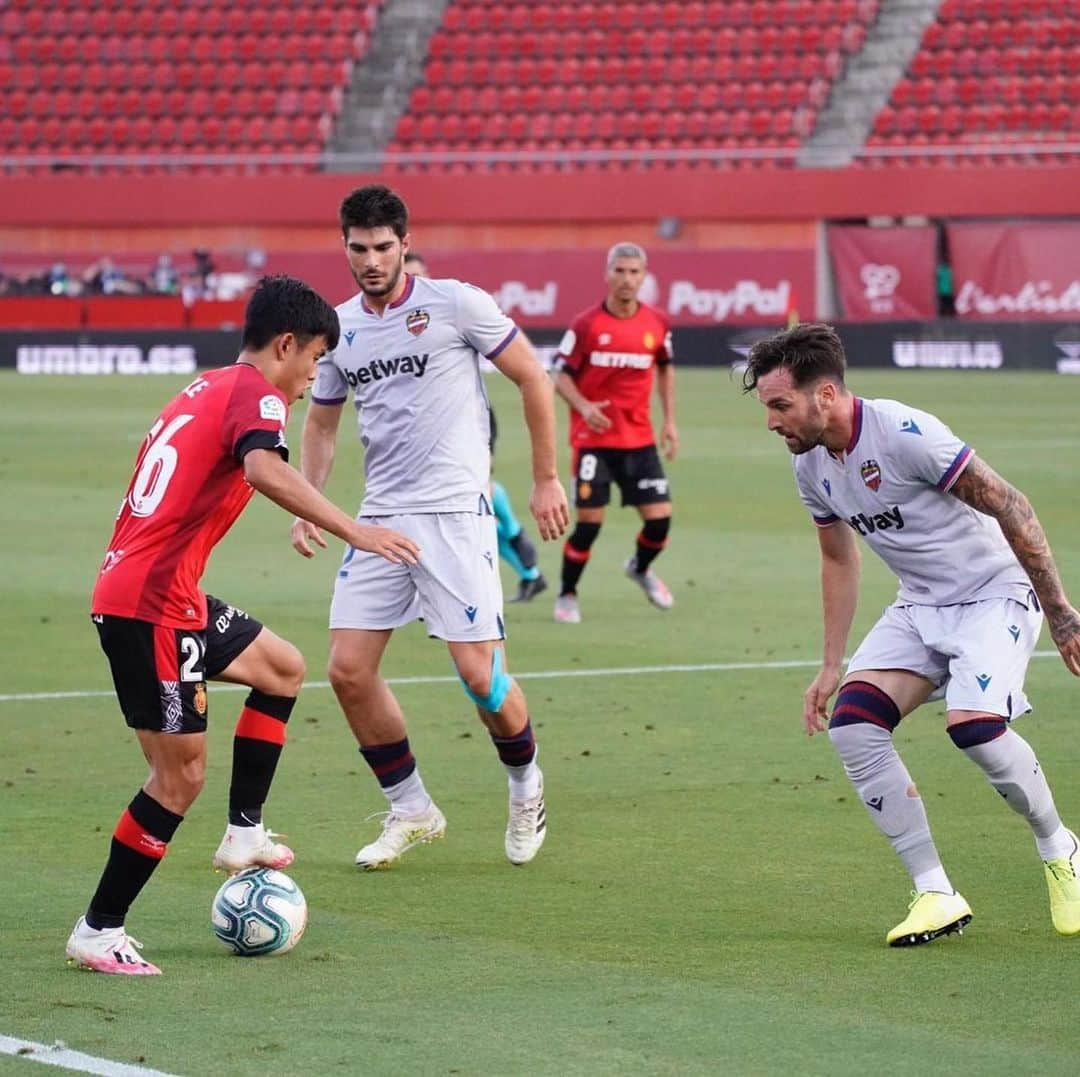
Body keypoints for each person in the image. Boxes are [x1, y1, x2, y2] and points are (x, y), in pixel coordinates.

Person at [66, 275, 419, 976]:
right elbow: (261, 467)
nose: (313, 376)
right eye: (314, 359)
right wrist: (354, 528)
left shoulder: (206, 386)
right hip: (151, 604)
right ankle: (98, 928)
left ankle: (244, 833)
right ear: (285, 345)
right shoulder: (256, 394)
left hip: (169, 592)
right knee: (178, 777)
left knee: (281, 666)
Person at [744, 322, 1080, 946]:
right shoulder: (811, 467)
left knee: (974, 727)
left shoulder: (904, 433)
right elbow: (840, 559)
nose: (771, 421)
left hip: (994, 595)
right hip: (921, 606)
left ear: (825, 395)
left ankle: (1060, 847)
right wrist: (829, 664)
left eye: (779, 405)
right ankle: (935, 892)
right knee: (853, 723)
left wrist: (1059, 612)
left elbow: (1011, 504)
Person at [291, 185, 568, 870]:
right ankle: (413, 807)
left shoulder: (456, 303)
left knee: (483, 681)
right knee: (348, 671)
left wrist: (544, 477)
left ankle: (526, 782)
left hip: (455, 517)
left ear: (405, 244)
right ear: (345, 247)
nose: (371, 260)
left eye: (383, 247)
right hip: (381, 520)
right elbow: (322, 423)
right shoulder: (341, 329)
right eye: (358, 248)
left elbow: (532, 377)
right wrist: (309, 502)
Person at [405, 250, 548, 603]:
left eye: (416, 275)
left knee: (469, 501)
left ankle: (511, 548)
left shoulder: (447, 310)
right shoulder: (381, 327)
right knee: (454, 501)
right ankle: (527, 566)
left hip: (465, 420)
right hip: (415, 429)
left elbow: (521, 354)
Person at [552, 241, 677, 624]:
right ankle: (568, 593)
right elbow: (559, 375)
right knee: (589, 525)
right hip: (594, 443)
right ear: (607, 274)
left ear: (644, 277)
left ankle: (639, 567)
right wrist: (585, 407)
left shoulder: (657, 323)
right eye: (620, 271)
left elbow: (665, 368)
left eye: (634, 272)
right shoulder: (586, 325)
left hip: (638, 440)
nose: (627, 279)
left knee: (659, 520)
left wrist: (669, 421)